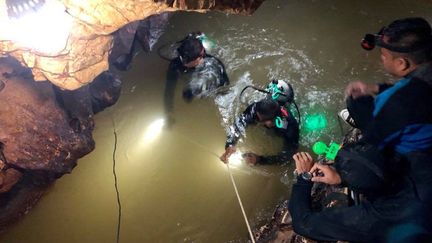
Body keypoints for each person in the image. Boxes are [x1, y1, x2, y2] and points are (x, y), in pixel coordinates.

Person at [340, 17, 432, 211]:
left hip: (417, 164)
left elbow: (371, 144)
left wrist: (341, 166)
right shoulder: (424, 73)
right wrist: (374, 88)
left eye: (383, 55)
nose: (381, 59)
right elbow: (415, 90)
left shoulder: (395, 103)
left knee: (355, 103)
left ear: (401, 64)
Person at [288, 147, 430, 242]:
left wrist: (304, 178)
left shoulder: (378, 218)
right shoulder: (418, 158)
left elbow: (303, 223)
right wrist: (341, 177)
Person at [164, 32, 230, 125]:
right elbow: (169, 89)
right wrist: (169, 112)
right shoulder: (176, 64)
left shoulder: (214, 64)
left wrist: (200, 90)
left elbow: (224, 88)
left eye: (188, 62)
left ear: (199, 58)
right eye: (183, 60)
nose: (184, 64)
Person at [219, 98, 299, 165]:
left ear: (272, 121)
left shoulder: (290, 128)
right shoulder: (255, 109)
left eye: (260, 120)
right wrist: (230, 144)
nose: (256, 120)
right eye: (256, 117)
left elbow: (287, 157)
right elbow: (239, 123)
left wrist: (260, 160)